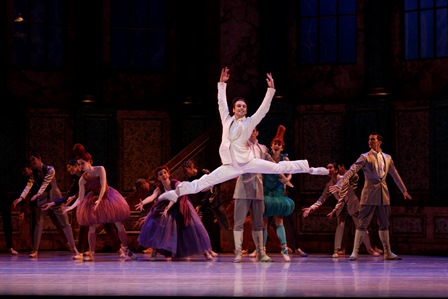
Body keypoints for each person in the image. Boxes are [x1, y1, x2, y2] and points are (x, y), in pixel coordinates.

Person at [158, 67, 328, 203]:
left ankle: (312, 169)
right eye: (239, 106)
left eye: (244, 107)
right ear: (234, 109)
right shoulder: (227, 119)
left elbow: (262, 111)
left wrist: (270, 91)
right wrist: (222, 84)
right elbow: (221, 104)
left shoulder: (248, 123)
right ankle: (177, 192)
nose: (241, 108)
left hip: (247, 162)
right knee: (206, 180)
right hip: (230, 165)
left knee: (277, 168)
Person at [329, 132, 412, 260]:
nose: (370, 141)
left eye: (372, 139)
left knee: (384, 223)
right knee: (362, 223)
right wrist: (340, 184)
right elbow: (352, 170)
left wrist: (404, 190)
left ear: (379, 142)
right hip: (369, 194)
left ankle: (387, 252)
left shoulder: (387, 157)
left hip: (383, 194)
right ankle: (355, 252)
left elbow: (394, 174)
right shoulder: (365, 157)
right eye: (369, 140)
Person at [64, 144, 137, 261]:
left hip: (108, 196)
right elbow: (80, 197)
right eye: (79, 164)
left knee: (118, 223)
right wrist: (71, 207)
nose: (81, 166)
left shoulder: (100, 169)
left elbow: (103, 186)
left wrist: (100, 199)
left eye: (83, 163)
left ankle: (126, 249)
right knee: (92, 226)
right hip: (94, 199)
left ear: (89, 161)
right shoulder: (82, 179)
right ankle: (92, 253)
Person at [42, 158, 122, 258]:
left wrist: (75, 196)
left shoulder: (92, 171)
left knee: (108, 225)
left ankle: (119, 248)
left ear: (77, 166)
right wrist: (53, 203)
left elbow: (96, 186)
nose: (70, 172)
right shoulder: (78, 179)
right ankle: (81, 251)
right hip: (89, 201)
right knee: (85, 226)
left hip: (101, 198)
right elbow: (70, 193)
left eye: (71, 168)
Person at [135, 165, 216, 261]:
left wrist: (167, 208)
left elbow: (174, 197)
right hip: (167, 207)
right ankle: (154, 251)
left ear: (168, 174)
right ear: (158, 177)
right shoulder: (159, 188)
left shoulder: (176, 183)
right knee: (157, 223)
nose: (163, 175)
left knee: (193, 227)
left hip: (181, 205)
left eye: (165, 173)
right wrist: (143, 203)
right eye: (160, 174)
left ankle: (206, 252)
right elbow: (152, 197)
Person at [303, 162, 381, 259]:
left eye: (331, 167)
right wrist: (311, 208)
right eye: (327, 167)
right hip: (341, 206)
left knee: (361, 227)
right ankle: (336, 250)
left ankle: (370, 249)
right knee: (340, 225)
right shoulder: (329, 184)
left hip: (352, 204)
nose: (328, 169)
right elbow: (322, 199)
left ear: (336, 170)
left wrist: (335, 209)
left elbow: (342, 196)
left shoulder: (343, 179)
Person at [12, 151, 80, 259]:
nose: (32, 162)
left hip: (55, 198)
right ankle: (35, 250)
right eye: (31, 161)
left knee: (65, 223)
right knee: (38, 223)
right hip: (42, 199)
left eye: (33, 159)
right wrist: (21, 197)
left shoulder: (50, 169)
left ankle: (74, 248)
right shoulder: (34, 173)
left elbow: (46, 183)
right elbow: (28, 185)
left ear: (39, 159)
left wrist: (38, 193)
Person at [233, 127, 272, 263]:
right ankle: (238, 252)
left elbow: (272, 164)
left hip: (258, 188)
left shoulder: (263, 148)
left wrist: (285, 167)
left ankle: (261, 253)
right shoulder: (240, 146)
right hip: (243, 188)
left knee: (258, 223)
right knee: (239, 222)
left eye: (254, 130)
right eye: (249, 130)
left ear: (257, 132)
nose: (251, 132)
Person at [182, 159, 232, 251]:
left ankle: (235, 247)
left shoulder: (204, 172)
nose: (185, 173)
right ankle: (208, 248)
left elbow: (209, 189)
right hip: (205, 205)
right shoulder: (190, 179)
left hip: (214, 200)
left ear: (191, 168)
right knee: (206, 226)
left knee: (225, 224)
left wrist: (200, 204)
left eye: (186, 170)